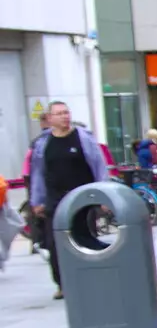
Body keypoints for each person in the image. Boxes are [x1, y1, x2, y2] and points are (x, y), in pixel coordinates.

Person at [27, 102, 109, 299]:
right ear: (50, 118)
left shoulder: (83, 138)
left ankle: (92, 278)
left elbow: (99, 166)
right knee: (55, 242)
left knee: (83, 238)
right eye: (59, 113)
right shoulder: (43, 144)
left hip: (83, 198)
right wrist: (37, 200)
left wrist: (104, 196)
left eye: (66, 112)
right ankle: (62, 284)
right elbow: (38, 173)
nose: (64, 116)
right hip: (55, 200)